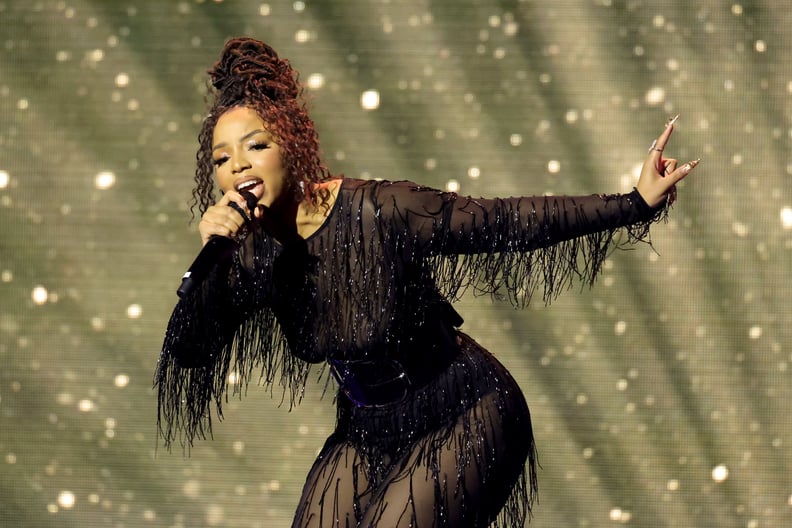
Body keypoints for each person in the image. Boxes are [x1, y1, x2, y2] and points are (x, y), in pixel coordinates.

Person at [155, 36, 699, 527]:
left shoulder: (382, 209)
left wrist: (633, 204)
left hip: (462, 411)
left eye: (256, 146)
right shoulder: (247, 257)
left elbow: (505, 221)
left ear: (291, 147)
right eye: (222, 158)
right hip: (368, 429)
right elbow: (186, 351)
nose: (238, 167)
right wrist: (215, 254)